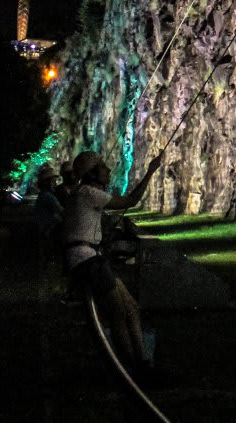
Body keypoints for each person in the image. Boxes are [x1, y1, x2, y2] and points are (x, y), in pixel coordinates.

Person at [64, 149, 162, 366]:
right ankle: (131, 367)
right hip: (87, 260)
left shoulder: (82, 195)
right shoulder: (90, 193)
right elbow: (131, 200)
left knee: (130, 307)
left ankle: (141, 363)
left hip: (88, 258)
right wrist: (150, 171)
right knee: (119, 311)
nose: (108, 170)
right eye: (102, 166)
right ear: (91, 174)